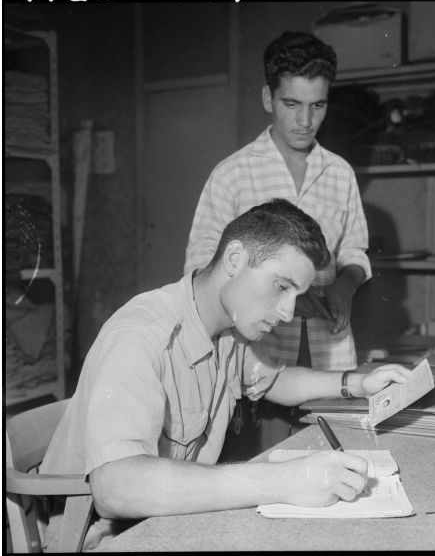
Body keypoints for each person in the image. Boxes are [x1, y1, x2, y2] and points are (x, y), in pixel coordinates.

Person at [40, 199, 409, 550]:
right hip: (99, 538)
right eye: (281, 287)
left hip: (169, 520)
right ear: (234, 258)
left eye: (297, 295)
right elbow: (116, 487)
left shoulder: (226, 327)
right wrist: (287, 480)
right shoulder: (140, 335)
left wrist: (356, 382)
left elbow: (274, 380)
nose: (287, 312)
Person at [185, 31, 372, 375]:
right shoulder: (232, 174)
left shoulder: (340, 173)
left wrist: (345, 286)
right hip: (254, 357)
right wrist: (281, 294)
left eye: (318, 105)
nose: (305, 122)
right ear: (268, 98)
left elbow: (354, 251)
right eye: (292, 104)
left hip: (330, 347)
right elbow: (200, 268)